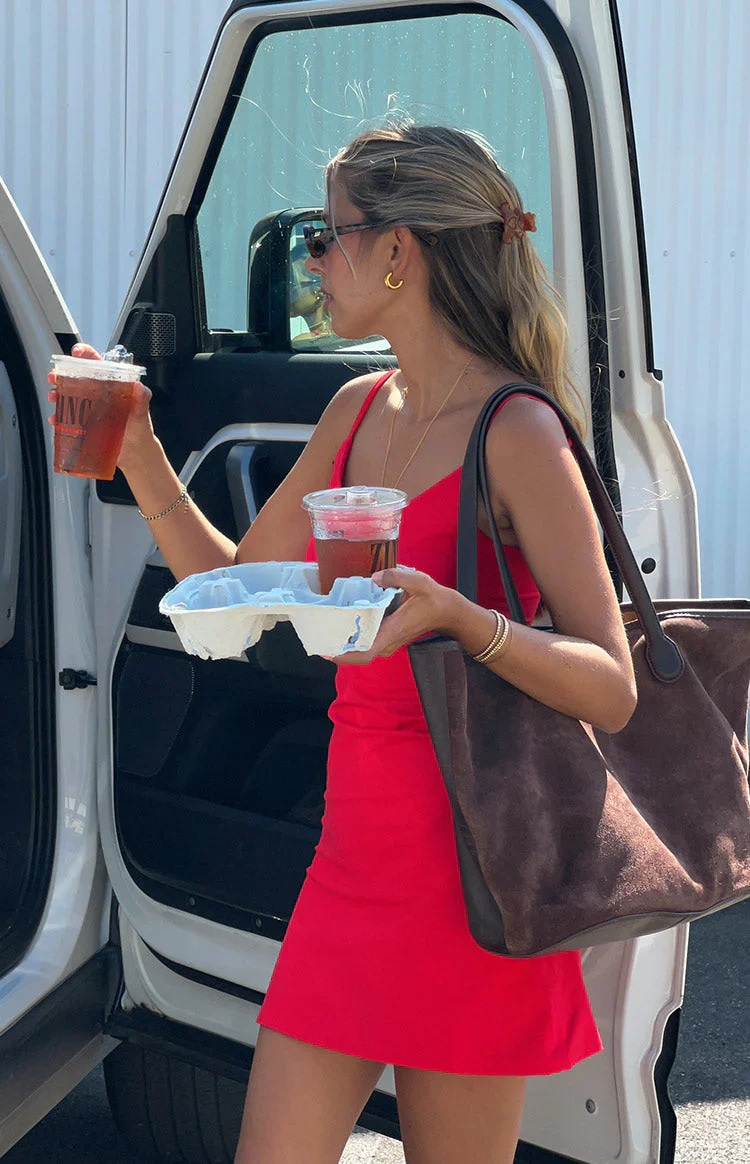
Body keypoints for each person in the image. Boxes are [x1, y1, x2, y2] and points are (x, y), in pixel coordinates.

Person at [49, 123, 637, 1164]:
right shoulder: (356, 410)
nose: (313, 262)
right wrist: (137, 448)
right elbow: (229, 579)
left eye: (327, 236)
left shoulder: (518, 430)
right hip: (354, 860)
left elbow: (612, 685)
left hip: (476, 869)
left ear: (398, 251)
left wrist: (463, 619)